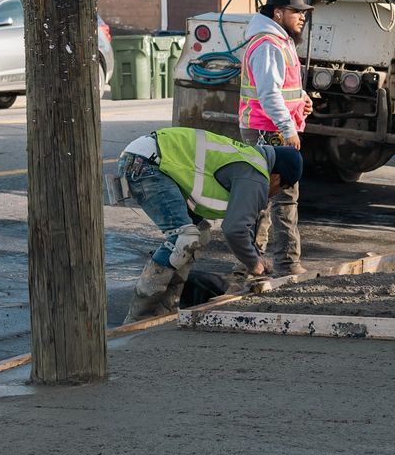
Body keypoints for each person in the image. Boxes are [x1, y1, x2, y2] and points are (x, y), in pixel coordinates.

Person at [119, 127, 303, 321]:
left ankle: (165, 310)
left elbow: (242, 223)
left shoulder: (250, 162)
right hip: (146, 164)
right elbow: (234, 229)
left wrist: (254, 256)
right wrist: (253, 262)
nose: (275, 193)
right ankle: (139, 317)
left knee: (199, 233)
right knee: (183, 238)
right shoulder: (256, 175)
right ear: (276, 177)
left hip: (147, 159)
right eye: (281, 188)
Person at [241, 0, 314, 275]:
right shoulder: (269, 45)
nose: (302, 17)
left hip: (270, 128)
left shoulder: (279, 42)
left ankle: (254, 262)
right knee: (282, 198)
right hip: (268, 130)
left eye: (303, 12)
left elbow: (283, 89)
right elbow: (269, 95)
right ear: (278, 13)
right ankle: (285, 263)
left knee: (265, 197)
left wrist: (302, 100)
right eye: (296, 11)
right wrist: (288, 129)